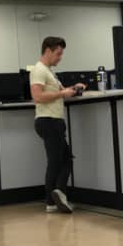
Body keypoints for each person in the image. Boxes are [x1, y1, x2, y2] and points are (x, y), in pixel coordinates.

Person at [30, 37, 85, 214]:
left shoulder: (49, 72)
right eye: (58, 53)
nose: (60, 57)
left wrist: (72, 88)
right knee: (60, 160)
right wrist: (62, 93)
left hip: (53, 121)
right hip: (48, 121)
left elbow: (56, 92)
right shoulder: (39, 70)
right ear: (48, 51)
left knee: (59, 160)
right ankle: (56, 196)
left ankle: (53, 200)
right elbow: (37, 96)